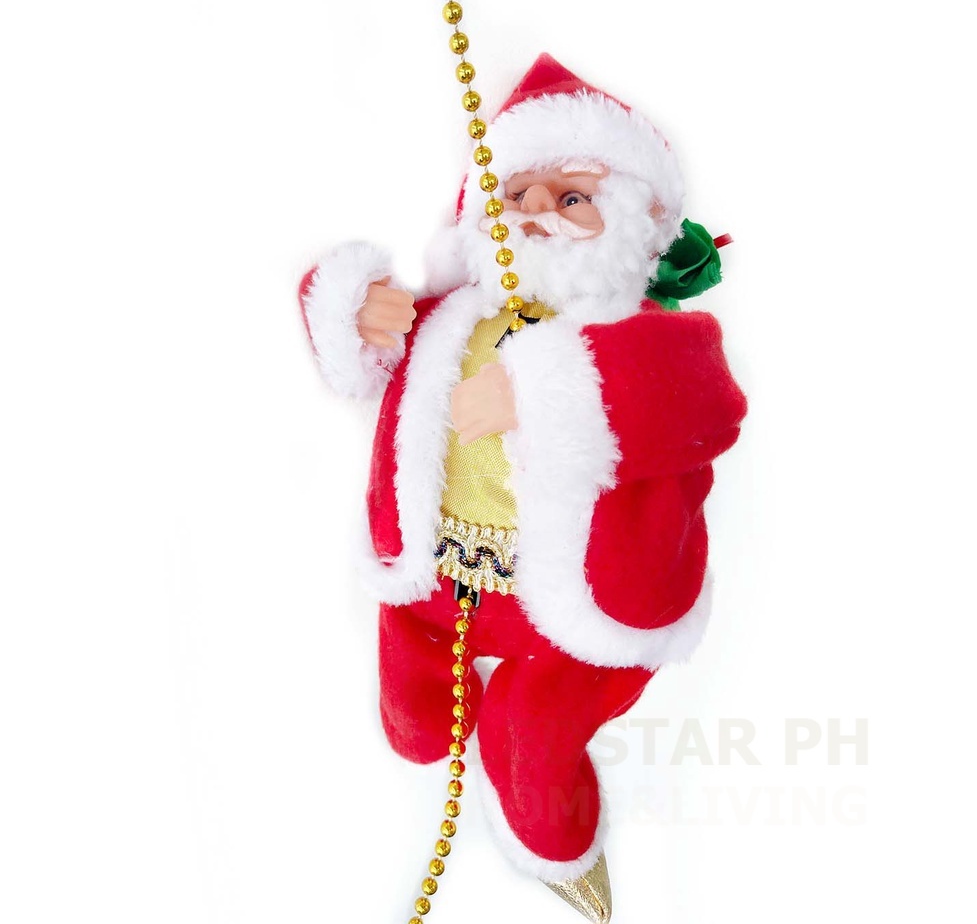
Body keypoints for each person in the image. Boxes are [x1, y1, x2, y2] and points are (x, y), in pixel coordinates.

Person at [299, 54, 747, 922]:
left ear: (639, 218)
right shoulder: (450, 315)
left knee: (530, 735)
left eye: (571, 196)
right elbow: (358, 365)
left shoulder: (640, 334)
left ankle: (560, 850)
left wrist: (547, 390)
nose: (537, 210)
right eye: (517, 195)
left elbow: (705, 400)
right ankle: (428, 714)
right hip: (437, 585)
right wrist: (351, 309)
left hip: (580, 618)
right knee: (413, 724)